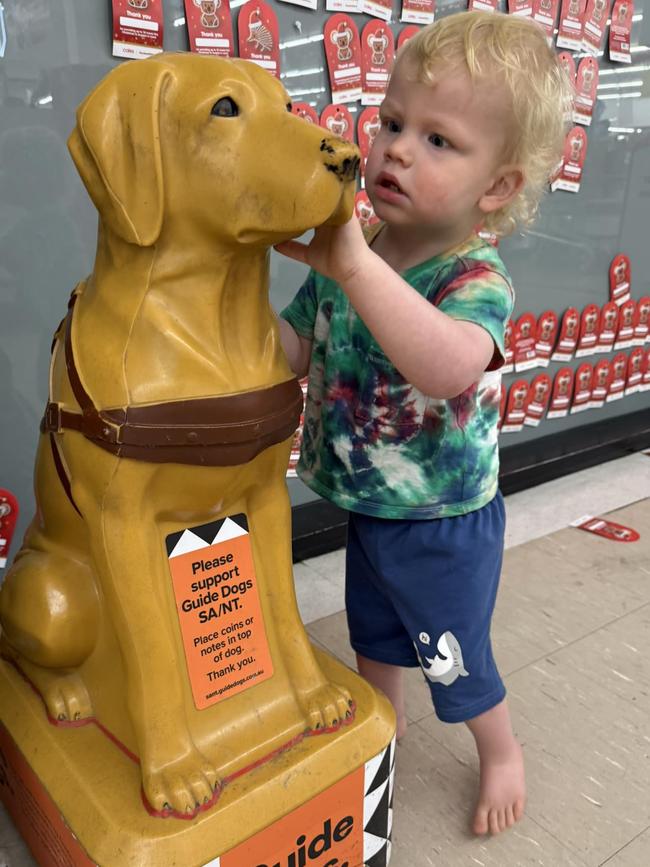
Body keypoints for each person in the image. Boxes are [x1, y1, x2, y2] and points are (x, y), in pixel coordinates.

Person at [275, 10, 572, 836]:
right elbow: (294, 343)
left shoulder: (474, 274)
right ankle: (381, 723)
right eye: (393, 123)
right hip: (370, 506)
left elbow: (444, 365)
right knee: (375, 631)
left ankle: (499, 744)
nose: (397, 149)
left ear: (498, 186)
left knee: (453, 657)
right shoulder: (363, 243)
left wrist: (356, 264)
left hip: (443, 521)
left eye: (439, 140)